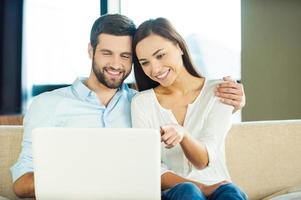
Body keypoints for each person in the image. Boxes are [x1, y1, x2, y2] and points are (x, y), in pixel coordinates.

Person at [11, 14, 245, 198]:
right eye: (106, 53)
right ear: (90, 51)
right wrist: (89, 180)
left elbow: (185, 108)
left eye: (125, 56)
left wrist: (235, 103)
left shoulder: (138, 102)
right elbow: (21, 184)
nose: (116, 64)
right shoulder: (48, 104)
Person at [131, 18, 247, 200]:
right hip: (175, 192)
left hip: (219, 187)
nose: (154, 69)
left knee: (231, 192)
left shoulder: (220, 92)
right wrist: (201, 187)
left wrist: (182, 134)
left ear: (179, 47)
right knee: (189, 191)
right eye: (145, 62)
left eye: (160, 55)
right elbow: (152, 167)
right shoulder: (142, 103)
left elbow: (204, 160)